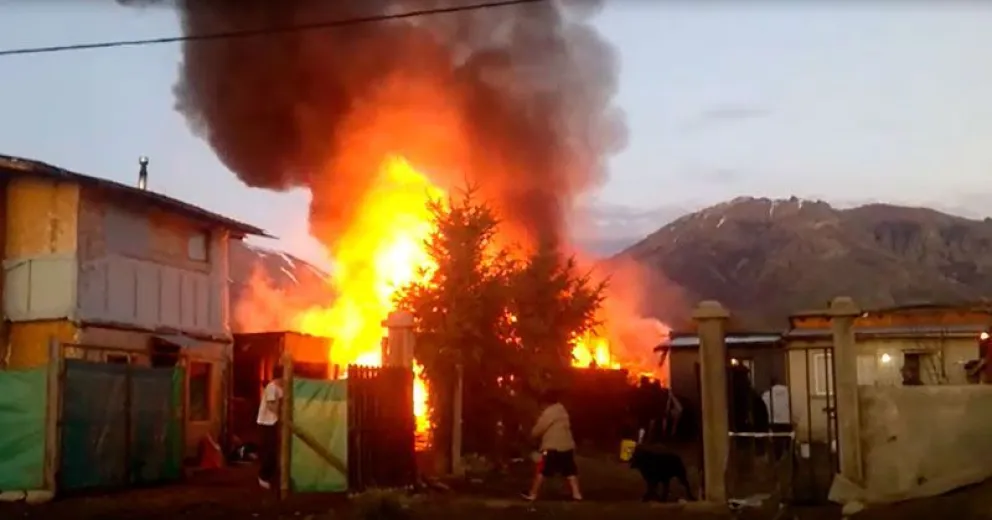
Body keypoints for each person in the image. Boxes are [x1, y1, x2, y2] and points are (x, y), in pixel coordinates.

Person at [522, 389, 582, 501]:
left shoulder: (549, 412)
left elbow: (540, 427)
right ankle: (577, 494)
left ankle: (533, 494)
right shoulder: (562, 410)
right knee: (570, 470)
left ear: (545, 402)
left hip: (552, 446)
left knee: (542, 470)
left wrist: (532, 435)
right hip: (567, 446)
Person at [256, 365, 284, 490]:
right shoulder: (272, 387)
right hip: (267, 423)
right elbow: (272, 405)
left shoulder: (279, 387)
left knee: (274, 451)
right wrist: (283, 416)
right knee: (269, 451)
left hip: (274, 422)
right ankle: (263, 476)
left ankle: (269, 475)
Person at [761, 378, 792, 460]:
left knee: (777, 441)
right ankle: (788, 455)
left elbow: (764, 409)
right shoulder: (788, 392)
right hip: (787, 420)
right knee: (788, 438)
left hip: (774, 422)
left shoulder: (767, 395)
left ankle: (777, 458)